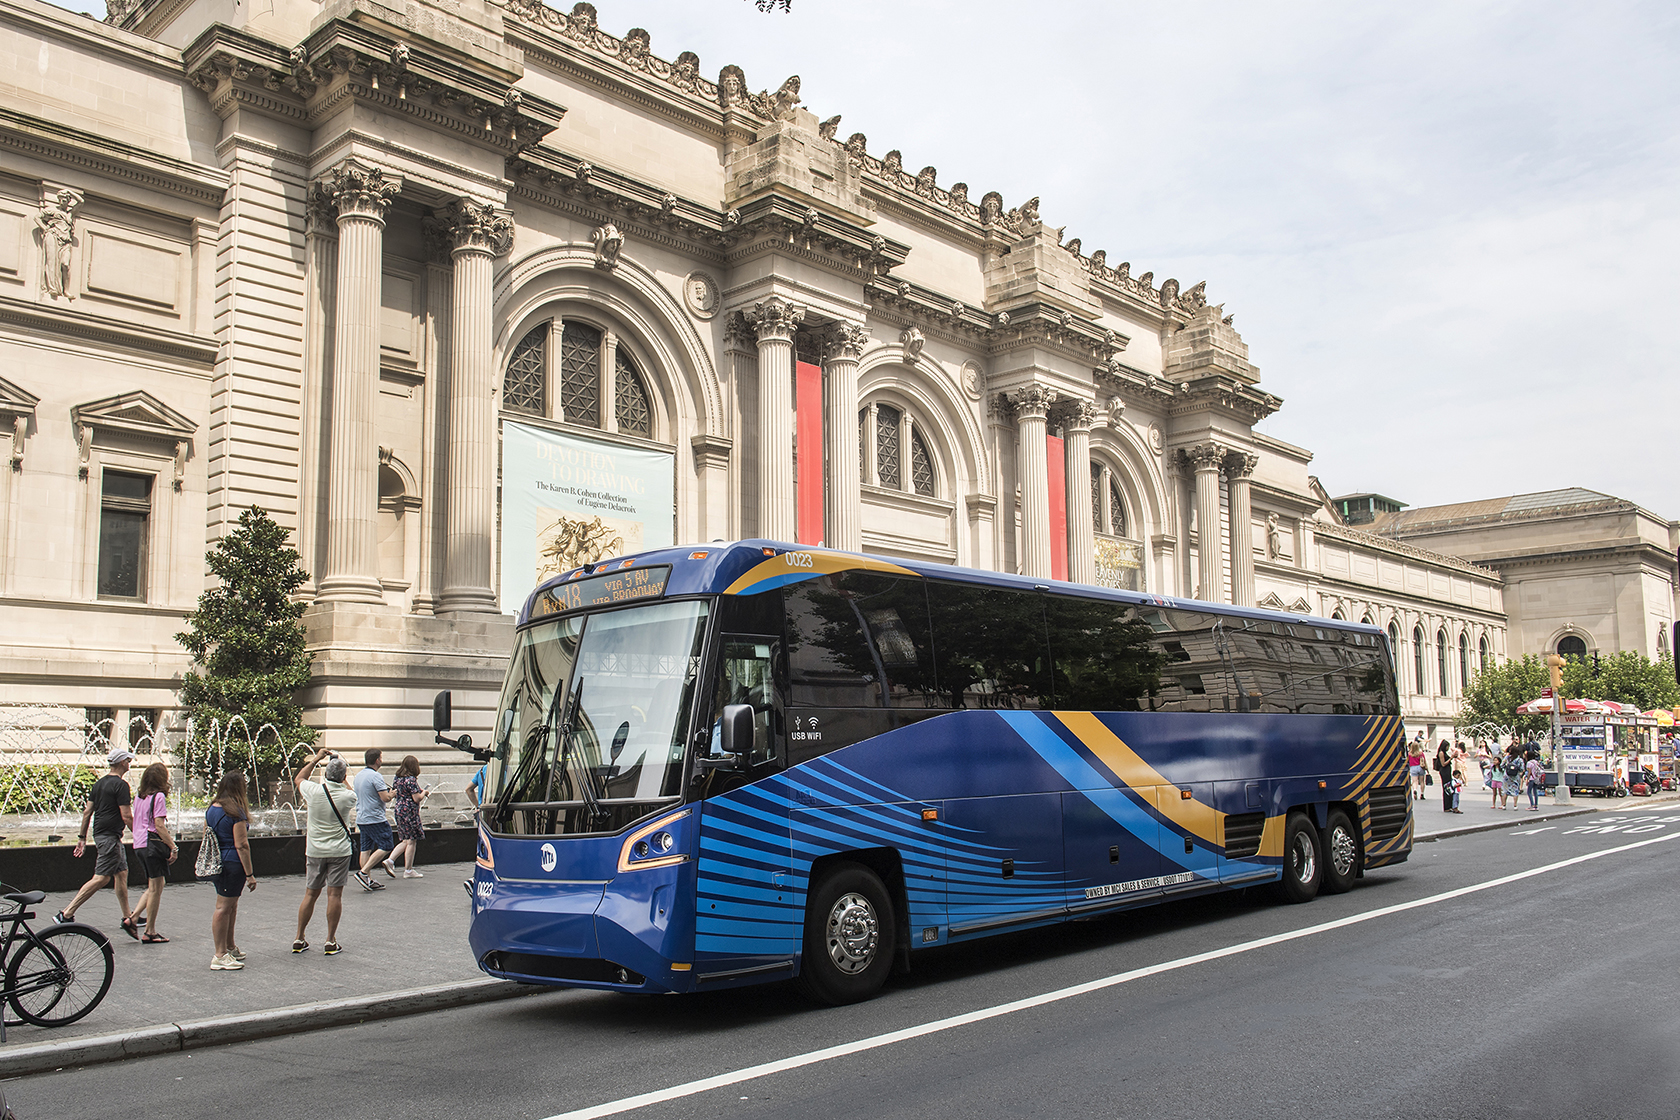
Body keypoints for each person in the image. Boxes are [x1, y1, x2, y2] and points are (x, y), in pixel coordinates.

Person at [56, 747, 141, 937]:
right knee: (101, 878)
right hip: (110, 837)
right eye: (128, 760)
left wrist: (81, 838)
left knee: (122, 873)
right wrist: (141, 835)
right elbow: (126, 816)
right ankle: (66, 913)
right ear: (121, 762)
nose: (130, 763)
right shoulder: (121, 785)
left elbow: (87, 812)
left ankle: (127, 917)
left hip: (103, 835)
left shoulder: (99, 783)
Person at [291, 746, 357, 955]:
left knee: (310, 894)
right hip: (339, 851)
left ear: (326, 774)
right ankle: (330, 940)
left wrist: (315, 759)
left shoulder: (313, 791)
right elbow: (349, 790)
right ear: (343, 776)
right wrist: (343, 775)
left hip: (315, 850)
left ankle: (299, 937)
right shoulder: (348, 797)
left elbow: (299, 779)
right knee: (334, 895)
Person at [204, 772, 257, 970]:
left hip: (219, 861)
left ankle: (229, 946)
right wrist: (250, 874)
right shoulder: (236, 812)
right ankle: (219, 955)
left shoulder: (212, 808)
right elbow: (242, 845)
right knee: (223, 908)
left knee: (231, 906)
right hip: (232, 863)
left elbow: (206, 835)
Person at [131, 762, 178, 944]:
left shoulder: (139, 796)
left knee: (155, 885)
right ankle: (149, 931)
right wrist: (173, 847)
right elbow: (159, 825)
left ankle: (133, 919)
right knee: (156, 888)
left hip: (139, 845)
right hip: (152, 846)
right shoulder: (158, 797)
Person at [352, 749, 397, 891]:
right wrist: (392, 794)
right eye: (381, 758)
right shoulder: (376, 776)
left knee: (365, 849)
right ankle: (363, 873)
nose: (382, 760)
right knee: (387, 845)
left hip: (362, 818)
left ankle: (368, 880)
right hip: (375, 818)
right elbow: (385, 798)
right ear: (377, 760)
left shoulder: (359, 775)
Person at [382, 755, 429, 878]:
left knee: (405, 839)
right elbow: (417, 798)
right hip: (410, 811)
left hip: (399, 810)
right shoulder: (411, 780)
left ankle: (390, 860)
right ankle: (408, 870)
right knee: (412, 840)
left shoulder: (397, 778)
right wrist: (424, 792)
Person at [1434, 741, 1454, 813]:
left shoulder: (1444, 753)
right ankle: (1446, 806)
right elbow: (1443, 764)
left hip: (1447, 771)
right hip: (1444, 771)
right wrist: (1451, 758)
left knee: (1449, 788)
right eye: (1447, 746)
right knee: (1446, 787)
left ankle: (1450, 805)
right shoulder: (1441, 753)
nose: (1448, 748)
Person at [1407, 737, 1426, 801]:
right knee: (1422, 781)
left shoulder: (1409, 754)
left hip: (1413, 767)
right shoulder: (1420, 753)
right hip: (1420, 767)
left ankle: (1415, 790)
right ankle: (1422, 794)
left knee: (1415, 781)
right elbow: (1424, 760)